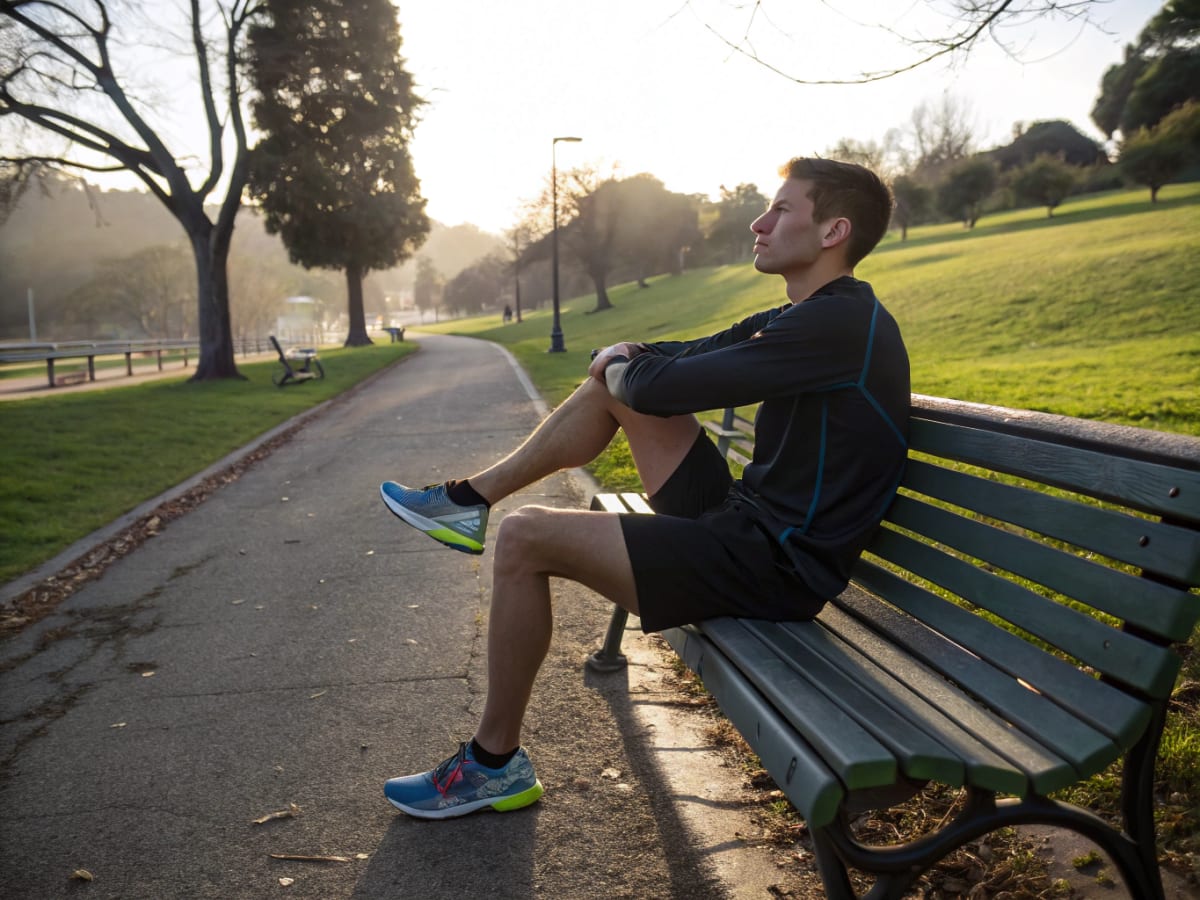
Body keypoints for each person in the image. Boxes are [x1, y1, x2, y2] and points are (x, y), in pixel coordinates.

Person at [378, 157, 910, 820]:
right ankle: (469, 501)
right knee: (611, 387)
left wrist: (629, 365)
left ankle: (493, 767)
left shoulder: (839, 326)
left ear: (833, 231)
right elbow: (688, 352)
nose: (758, 220)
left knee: (526, 537)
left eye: (781, 210)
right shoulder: (812, 314)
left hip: (773, 568)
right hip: (743, 526)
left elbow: (670, 386)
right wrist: (629, 359)